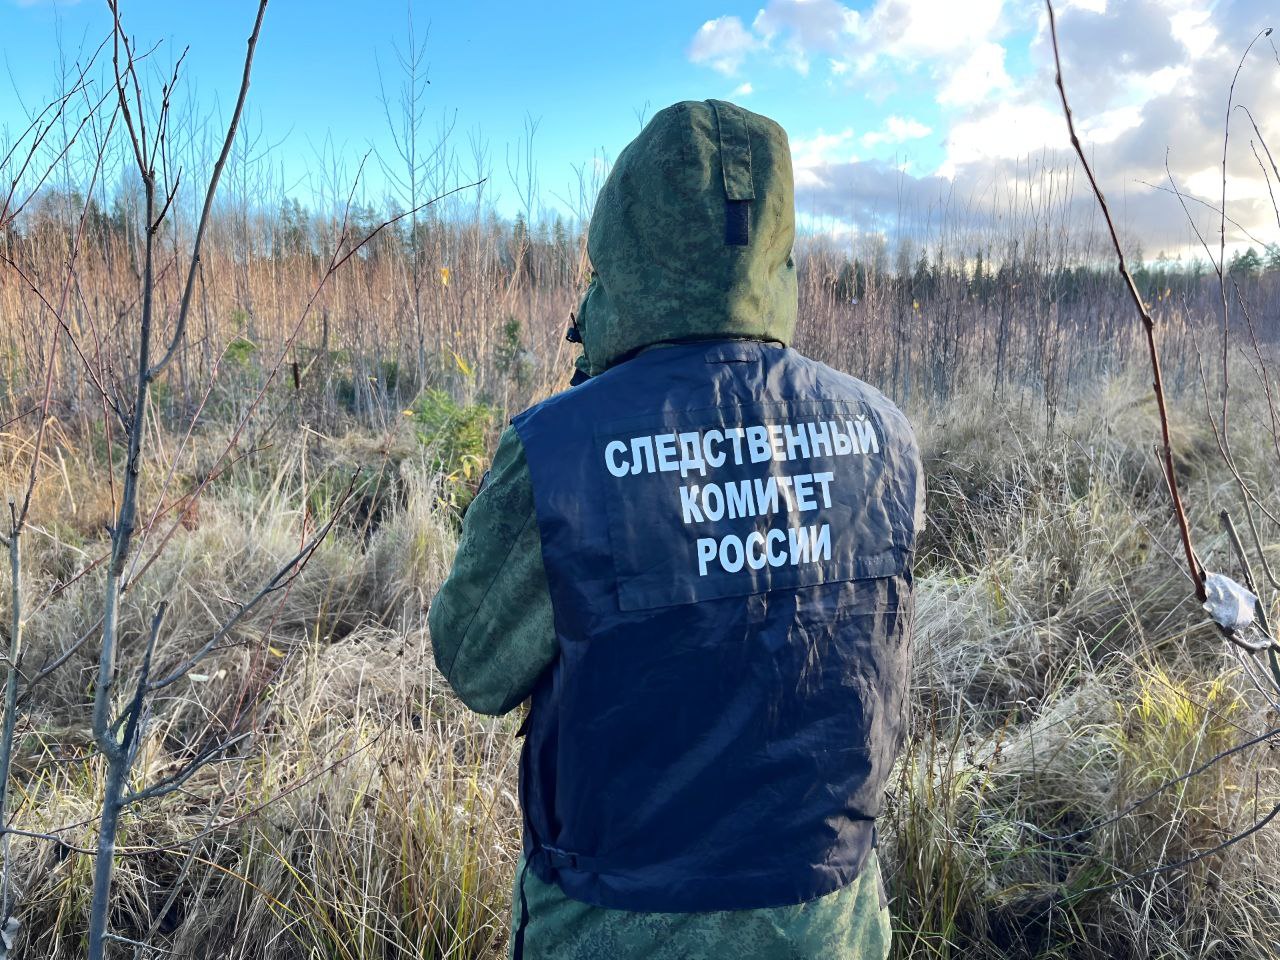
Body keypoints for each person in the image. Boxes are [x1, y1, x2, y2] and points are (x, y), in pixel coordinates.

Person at [429, 98, 924, 960]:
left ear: (622, 243)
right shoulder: (883, 434)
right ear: (776, 244)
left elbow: (474, 663)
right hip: (829, 924)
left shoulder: (558, 446)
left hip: (612, 929)